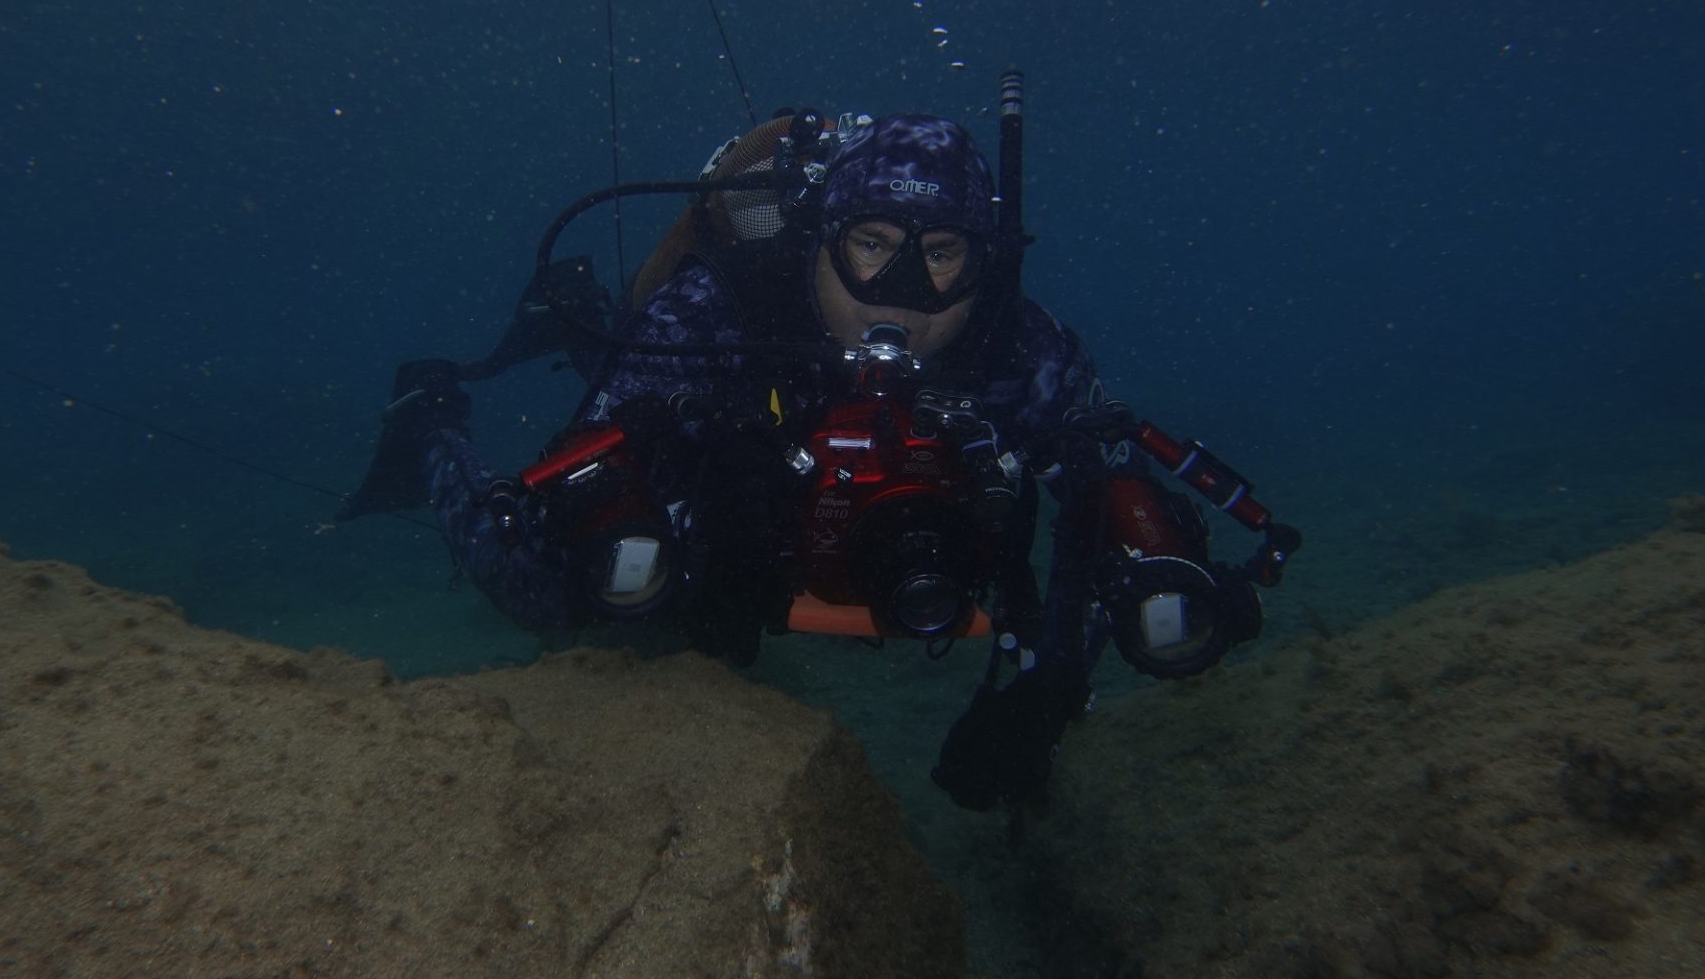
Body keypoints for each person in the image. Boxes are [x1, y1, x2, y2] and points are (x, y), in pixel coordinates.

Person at [339, 110, 1298, 810]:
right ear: (818, 246)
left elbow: (1106, 504)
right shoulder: (724, 309)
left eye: (943, 255)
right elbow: (604, 438)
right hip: (727, 514)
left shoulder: (1025, 348)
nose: (904, 291)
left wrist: (1049, 691)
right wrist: (623, 519)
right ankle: (431, 419)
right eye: (871, 246)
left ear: (988, 264)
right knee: (547, 589)